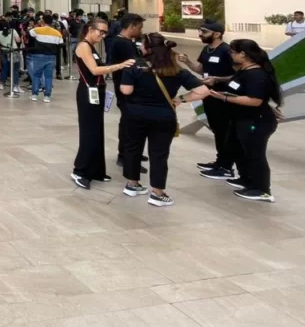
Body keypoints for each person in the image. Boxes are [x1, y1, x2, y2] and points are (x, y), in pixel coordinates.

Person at [183, 38, 281, 203]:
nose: (231, 54)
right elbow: (236, 82)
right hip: (240, 118)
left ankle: (262, 189)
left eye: (233, 52)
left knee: (254, 154)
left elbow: (254, 100)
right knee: (237, 149)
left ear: (243, 54)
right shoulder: (244, 70)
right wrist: (218, 80)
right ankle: (246, 179)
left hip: (255, 121)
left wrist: (225, 98)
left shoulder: (257, 75)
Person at [118, 34, 203, 206]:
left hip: (135, 115)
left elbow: (126, 90)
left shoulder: (134, 65)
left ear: (146, 48)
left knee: (132, 148)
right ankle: (158, 193)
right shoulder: (176, 69)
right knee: (159, 154)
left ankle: (132, 184)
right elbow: (203, 91)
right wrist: (181, 99)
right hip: (164, 117)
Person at [72, 17, 136, 190]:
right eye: (101, 31)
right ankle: (81, 171)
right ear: (90, 29)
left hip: (97, 91)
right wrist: (120, 65)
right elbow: (94, 70)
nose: (103, 35)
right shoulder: (83, 46)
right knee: (89, 133)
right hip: (87, 92)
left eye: (105, 32)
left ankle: (96, 170)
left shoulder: (92, 47)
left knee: (97, 132)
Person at [176, 20, 236, 180]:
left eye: (204, 32)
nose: (200, 34)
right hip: (208, 95)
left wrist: (218, 80)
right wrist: (187, 62)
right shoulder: (207, 49)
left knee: (224, 131)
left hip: (224, 97)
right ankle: (219, 161)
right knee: (216, 129)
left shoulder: (227, 51)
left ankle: (226, 166)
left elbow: (239, 75)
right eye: (200, 31)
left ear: (217, 34)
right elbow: (200, 69)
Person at [110, 13, 146, 172]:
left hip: (129, 87)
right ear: (131, 26)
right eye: (139, 27)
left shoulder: (126, 42)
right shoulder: (122, 43)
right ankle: (125, 156)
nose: (140, 30)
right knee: (129, 124)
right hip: (125, 88)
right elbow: (134, 64)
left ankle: (130, 153)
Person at [27, 15, 63, 102]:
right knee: (48, 77)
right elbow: (60, 43)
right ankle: (47, 96)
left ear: (43, 21)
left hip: (39, 56)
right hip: (51, 57)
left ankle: (35, 95)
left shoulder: (37, 30)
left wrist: (38, 25)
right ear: (52, 22)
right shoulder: (57, 33)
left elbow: (30, 33)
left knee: (36, 75)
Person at [0, 20, 21, 92]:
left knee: (4, 67)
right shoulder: (13, 31)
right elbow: (18, 41)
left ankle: (2, 83)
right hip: (13, 51)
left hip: (4, 51)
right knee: (15, 69)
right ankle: (15, 85)